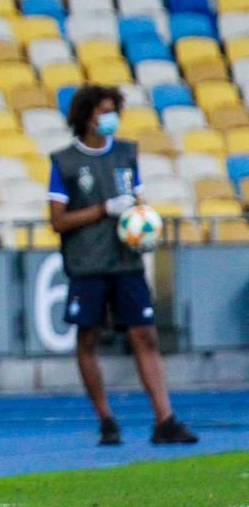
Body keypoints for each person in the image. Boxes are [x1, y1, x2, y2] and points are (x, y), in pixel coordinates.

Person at [48, 85, 198, 446]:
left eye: (113, 110)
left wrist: (143, 224)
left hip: (126, 261)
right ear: (86, 117)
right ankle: (106, 419)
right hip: (87, 263)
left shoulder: (127, 153)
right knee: (88, 338)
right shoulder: (65, 162)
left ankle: (165, 420)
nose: (110, 118)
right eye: (103, 112)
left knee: (144, 334)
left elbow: (139, 201)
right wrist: (103, 209)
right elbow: (58, 221)